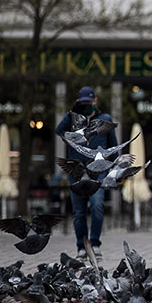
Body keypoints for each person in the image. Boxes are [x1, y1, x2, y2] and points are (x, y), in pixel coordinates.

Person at [55, 86, 117, 260]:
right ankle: (81, 247)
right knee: (79, 212)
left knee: (97, 206)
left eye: (88, 103)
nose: (86, 106)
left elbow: (113, 146)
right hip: (76, 171)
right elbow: (59, 132)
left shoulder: (105, 119)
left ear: (95, 101)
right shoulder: (72, 120)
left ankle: (95, 244)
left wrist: (115, 170)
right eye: (83, 103)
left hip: (98, 171)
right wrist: (71, 113)